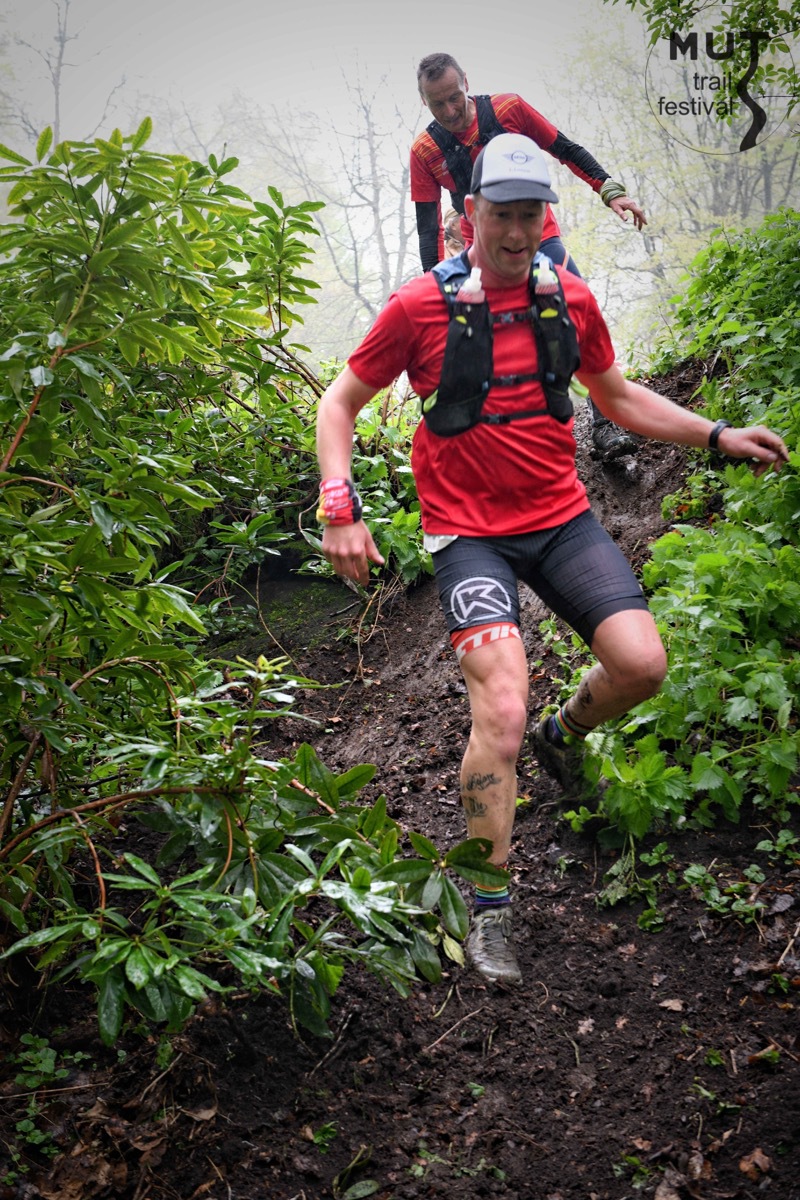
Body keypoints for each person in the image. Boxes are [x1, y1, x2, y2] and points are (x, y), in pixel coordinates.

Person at [315, 133, 789, 987]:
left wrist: (718, 435)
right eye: (500, 214)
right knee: (498, 707)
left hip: (559, 518)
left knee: (642, 665)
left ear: (545, 218)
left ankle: (560, 739)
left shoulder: (566, 297)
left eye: (529, 215)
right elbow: (339, 403)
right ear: (471, 214)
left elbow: (617, 397)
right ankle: (490, 906)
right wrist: (338, 505)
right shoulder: (419, 307)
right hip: (467, 533)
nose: (514, 231)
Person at [411, 51, 646, 462]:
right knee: (488, 342)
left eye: (454, 97)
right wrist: (436, 287)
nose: (449, 111)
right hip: (481, 251)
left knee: (575, 312)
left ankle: (606, 425)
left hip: (539, 235)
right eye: (437, 104)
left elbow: (563, 148)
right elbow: (428, 226)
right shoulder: (425, 150)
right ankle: (504, 441)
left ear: (466, 82)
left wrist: (609, 189)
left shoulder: (508, 109)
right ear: (423, 101)